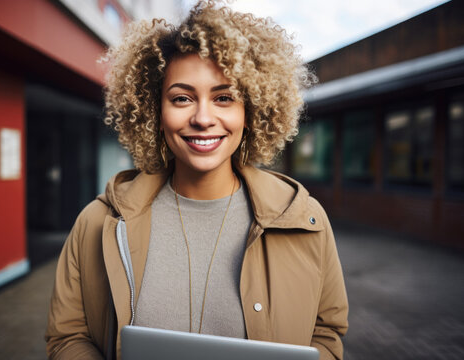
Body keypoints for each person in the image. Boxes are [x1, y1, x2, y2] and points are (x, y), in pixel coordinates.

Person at [45, 1, 348, 359]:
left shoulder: (305, 220)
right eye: (182, 98)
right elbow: (68, 336)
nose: (203, 118)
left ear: (249, 112)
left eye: (224, 98)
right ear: (155, 112)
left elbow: (326, 334)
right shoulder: (98, 223)